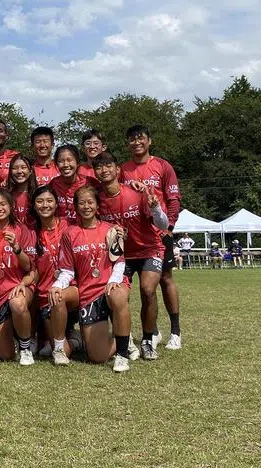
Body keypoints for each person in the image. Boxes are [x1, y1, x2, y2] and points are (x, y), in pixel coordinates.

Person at [92, 151, 170, 361]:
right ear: (95, 172)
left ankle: (147, 338)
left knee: (147, 289)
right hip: (120, 257)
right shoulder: (97, 200)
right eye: (99, 167)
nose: (104, 170)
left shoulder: (136, 192)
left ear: (118, 170)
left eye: (109, 165)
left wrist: (155, 209)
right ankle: (123, 341)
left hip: (149, 249)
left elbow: (163, 225)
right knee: (114, 295)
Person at [52, 185, 133, 373]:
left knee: (118, 296)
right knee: (98, 357)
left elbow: (119, 263)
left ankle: (122, 354)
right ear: (75, 206)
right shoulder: (70, 233)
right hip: (88, 292)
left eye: (90, 202)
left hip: (110, 286)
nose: (86, 206)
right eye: (81, 203)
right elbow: (67, 270)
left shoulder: (112, 230)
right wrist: (57, 285)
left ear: (97, 205)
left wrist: (113, 281)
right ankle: (124, 338)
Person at [119, 124, 183, 350]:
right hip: (131, 239)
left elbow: (173, 199)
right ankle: (152, 331)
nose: (137, 142)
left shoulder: (162, 166)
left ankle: (175, 331)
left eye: (141, 138)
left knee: (165, 280)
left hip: (159, 234)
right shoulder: (122, 170)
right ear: (127, 144)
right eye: (132, 139)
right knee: (135, 290)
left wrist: (170, 227)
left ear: (149, 141)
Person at [0, 189, 38, 364]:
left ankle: (25, 347)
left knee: (17, 302)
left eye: (3, 204)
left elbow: (29, 266)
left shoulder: (22, 230)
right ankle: (10, 336)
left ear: (11, 206)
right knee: (5, 355)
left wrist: (16, 247)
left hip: (18, 286)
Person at [29, 185, 75, 365]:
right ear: (33, 206)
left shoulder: (68, 225)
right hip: (45, 297)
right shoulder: (31, 232)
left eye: (49, 201)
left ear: (57, 204)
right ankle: (76, 340)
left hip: (72, 287)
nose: (45, 205)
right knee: (65, 351)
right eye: (39, 201)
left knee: (60, 297)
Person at [48, 144, 91, 222]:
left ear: (77, 162)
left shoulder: (89, 182)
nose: (66, 165)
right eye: (61, 161)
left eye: (69, 160)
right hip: (60, 230)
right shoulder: (53, 184)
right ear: (56, 164)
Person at [5, 153, 37, 226]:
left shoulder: (38, 194)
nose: (19, 171)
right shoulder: (6, 195)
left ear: (30, 170)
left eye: (23, 167)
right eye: (15, 168)